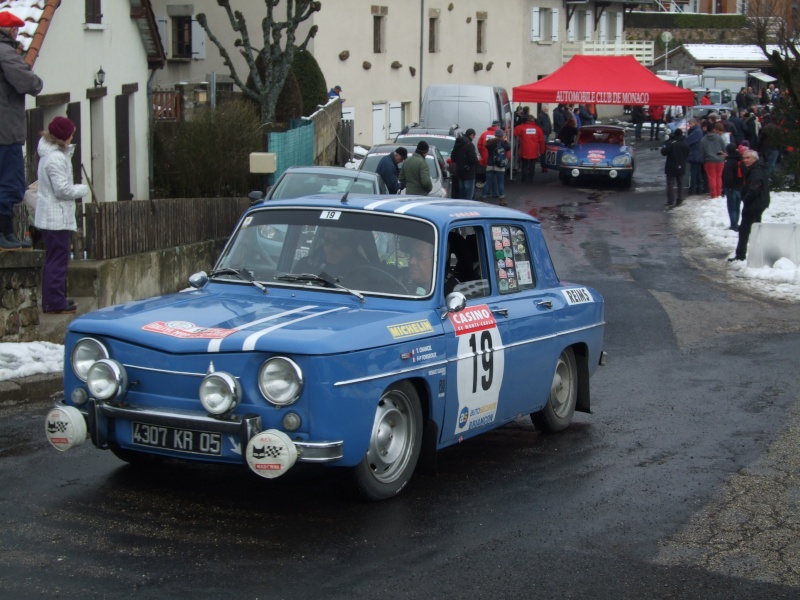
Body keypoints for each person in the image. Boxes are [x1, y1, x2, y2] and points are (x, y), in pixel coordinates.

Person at [35, 117, 89, 314]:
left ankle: (55, 299)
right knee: (58, 260)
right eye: (71, 134)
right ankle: (54, 301)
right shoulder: (55, 158)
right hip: (55, 218)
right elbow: (62, 190)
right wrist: (81, 189)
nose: (72, 137)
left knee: (55, 259)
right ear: (63, 137)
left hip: (53, 217)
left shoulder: (51, 154)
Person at [0, 11, 44, 250]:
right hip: (6, 130)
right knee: (11, 183)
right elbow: (28, 82)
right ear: (11, 31)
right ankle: (4, 232)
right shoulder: (6, 52)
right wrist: (37, 83)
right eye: (16, 30)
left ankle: (5, 232)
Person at [729, 150, 770, 262]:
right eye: (744, 158)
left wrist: (746, 199)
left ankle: (741, 255)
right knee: (755, 228)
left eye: (748, 158)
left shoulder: (756, 171)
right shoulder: (756, 168)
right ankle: (756, 254)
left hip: (754, 204)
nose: (745, 160)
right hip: (759, 203)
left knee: (745, 229)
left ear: (754, 159)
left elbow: (754, 188)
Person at [661, 128, 690, 209]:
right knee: (680, 183)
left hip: (671, 165)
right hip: (681, 165)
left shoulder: (671, 143)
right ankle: (680, 199)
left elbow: (663, 152)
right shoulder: (685, 143)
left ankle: (670, 200)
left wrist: (666, 142)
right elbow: (687, 153)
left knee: (670, 183)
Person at [513, 114, 545, 183]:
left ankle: (524, 179)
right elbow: (542, 141)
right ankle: (531, 179)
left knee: (524, 165)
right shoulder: (538, 129)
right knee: (532, 165)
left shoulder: (522, 127)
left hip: (524, 150)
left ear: (527, 120)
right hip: (534, 151)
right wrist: (542, 151)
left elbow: (514, 132)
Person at [482, 128, 510, 205]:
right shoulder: (502, 142)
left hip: (490, 164)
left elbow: (486, 147)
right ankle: (502, 199)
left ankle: (483, 197)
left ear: (495, 135)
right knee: (500, 183)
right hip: (500, 165)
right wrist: (505, 141)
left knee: (488, 182)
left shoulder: (490, 143)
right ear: (502, 136)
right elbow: (508, 148)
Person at [701, 121, 727, 199]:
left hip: (709, 161)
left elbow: (702, 152)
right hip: (720, 160)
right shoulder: (719, 138)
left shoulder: (703, 140)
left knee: (711, 177)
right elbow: (724, 148)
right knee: (719, 177)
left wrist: (703, 161)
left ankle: (713, 194)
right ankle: (719, 193)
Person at [451, 128, 478, 200]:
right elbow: (473, 160)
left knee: (462, 194)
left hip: (459, 172)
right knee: (469, 195)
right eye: (474, 136)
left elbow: (453, 157)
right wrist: (477, 161)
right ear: (472, 135)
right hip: (468, 173)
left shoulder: (458, 144)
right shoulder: (470, 145)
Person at [722, 143, 743, 231]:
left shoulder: (729, 163)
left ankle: (733, 224)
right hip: (740, 186)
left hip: (731, 187)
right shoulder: (740, 159)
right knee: (737, 206)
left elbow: (727, 177)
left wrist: (725, 187)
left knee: (731, 207)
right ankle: (736, 223)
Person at [686, 118, 705, 196]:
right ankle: (698, 188)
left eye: (690, 124)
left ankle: (693, 188)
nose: (689, 125)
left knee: (694, 173)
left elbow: (688, 141)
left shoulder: (696, 131)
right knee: (697, 173)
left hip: (695, 155)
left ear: (694, 123)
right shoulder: (698, 131)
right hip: (697, 154)